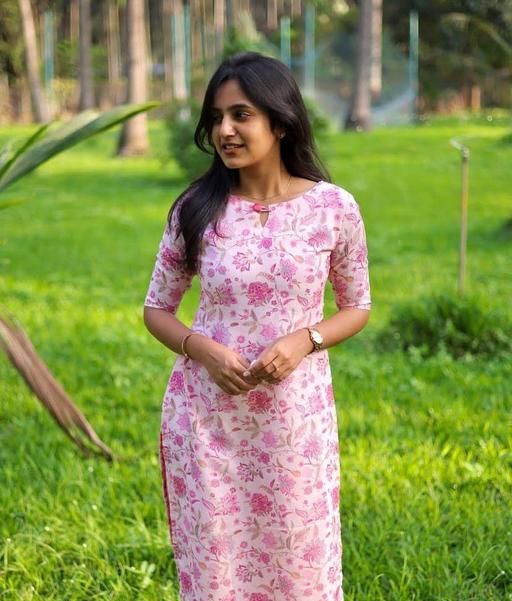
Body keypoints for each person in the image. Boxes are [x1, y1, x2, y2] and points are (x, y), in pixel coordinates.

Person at [143, 51, 371, 601]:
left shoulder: (333, 209)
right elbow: (156, 309)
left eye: (241, 115)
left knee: (301, 561)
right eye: (216, 118)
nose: (224, 130)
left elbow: (357, 306)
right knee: (217, 566)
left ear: (281, 121)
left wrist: (306, 340)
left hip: (295, 421)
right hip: (207, 421)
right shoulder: (196, 209)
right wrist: (203, 350)